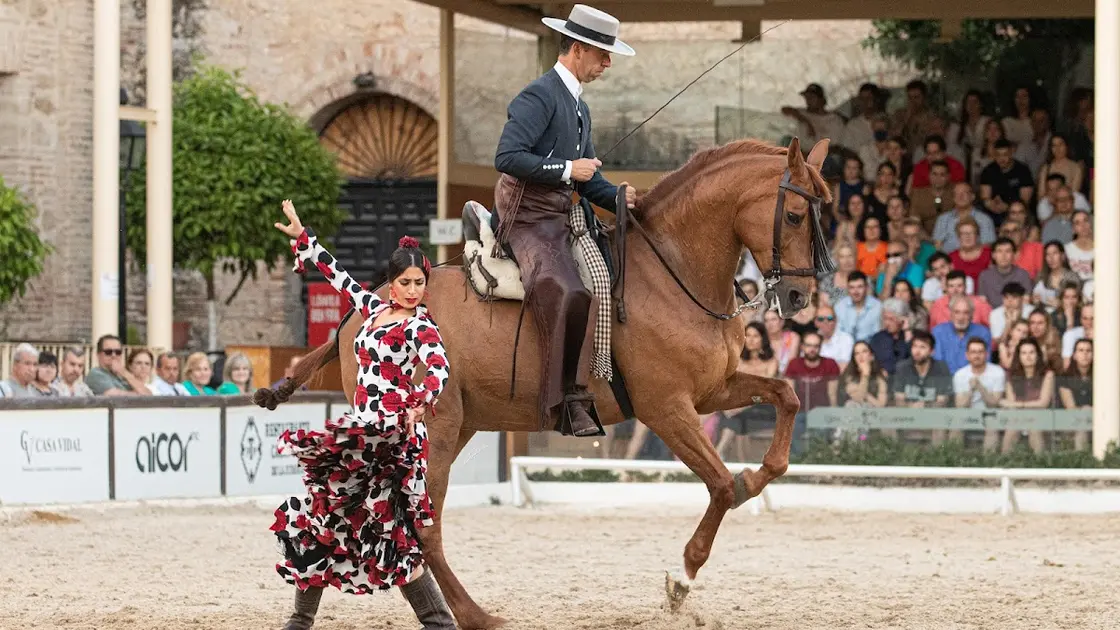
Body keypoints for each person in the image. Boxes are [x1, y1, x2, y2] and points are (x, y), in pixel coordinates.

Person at [266, 200, 453, 630]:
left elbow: (439, 366)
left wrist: (422, 397)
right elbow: (340, 278)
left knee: (393, 536)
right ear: (390, 283)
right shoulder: (372, 310)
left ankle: (439, 623)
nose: (412, 290)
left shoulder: (420, 327)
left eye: (419, 283)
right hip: (359, 439)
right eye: (405, 282)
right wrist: (305, 240)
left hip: (392, 442)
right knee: (321, 518)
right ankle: (299, 620)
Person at [492, 4, 637, 437]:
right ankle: (568, 400)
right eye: (602, 54)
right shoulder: (539, 95)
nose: (607, 63)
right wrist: (567, 170)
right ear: (577, 49)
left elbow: (590, 180)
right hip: (525, 217)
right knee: (569, 288)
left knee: (606, 275)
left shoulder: (579, 107)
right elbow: (508, 157)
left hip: (560, 212)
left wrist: (623, 199)